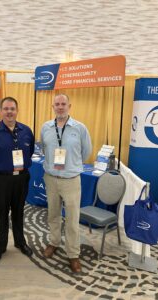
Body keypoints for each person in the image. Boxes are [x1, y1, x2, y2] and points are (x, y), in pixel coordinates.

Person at [0, 96, 34, 264]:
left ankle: (20, 242)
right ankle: (0, 247)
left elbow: (29, 152)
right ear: (1, 111)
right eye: (6, 109)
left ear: (17, 111)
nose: (9, 112)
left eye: (12, 109)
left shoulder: (26, 131)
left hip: (21, 179)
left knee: (18, 212)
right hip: (0, 180)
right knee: (2, 214)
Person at [41, 94, 92, 273]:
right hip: (51, 179)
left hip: (71, 180)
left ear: (69, 106)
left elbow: (86, 151)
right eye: (57, 104)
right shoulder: (46, 127)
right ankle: (54, 242)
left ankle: (73, 254)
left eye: (63, 104)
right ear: (52, 106)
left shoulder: (80, 128)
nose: (60, 107)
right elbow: (44, 149)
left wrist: (72, 165)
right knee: (53, 214)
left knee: (72, 219)